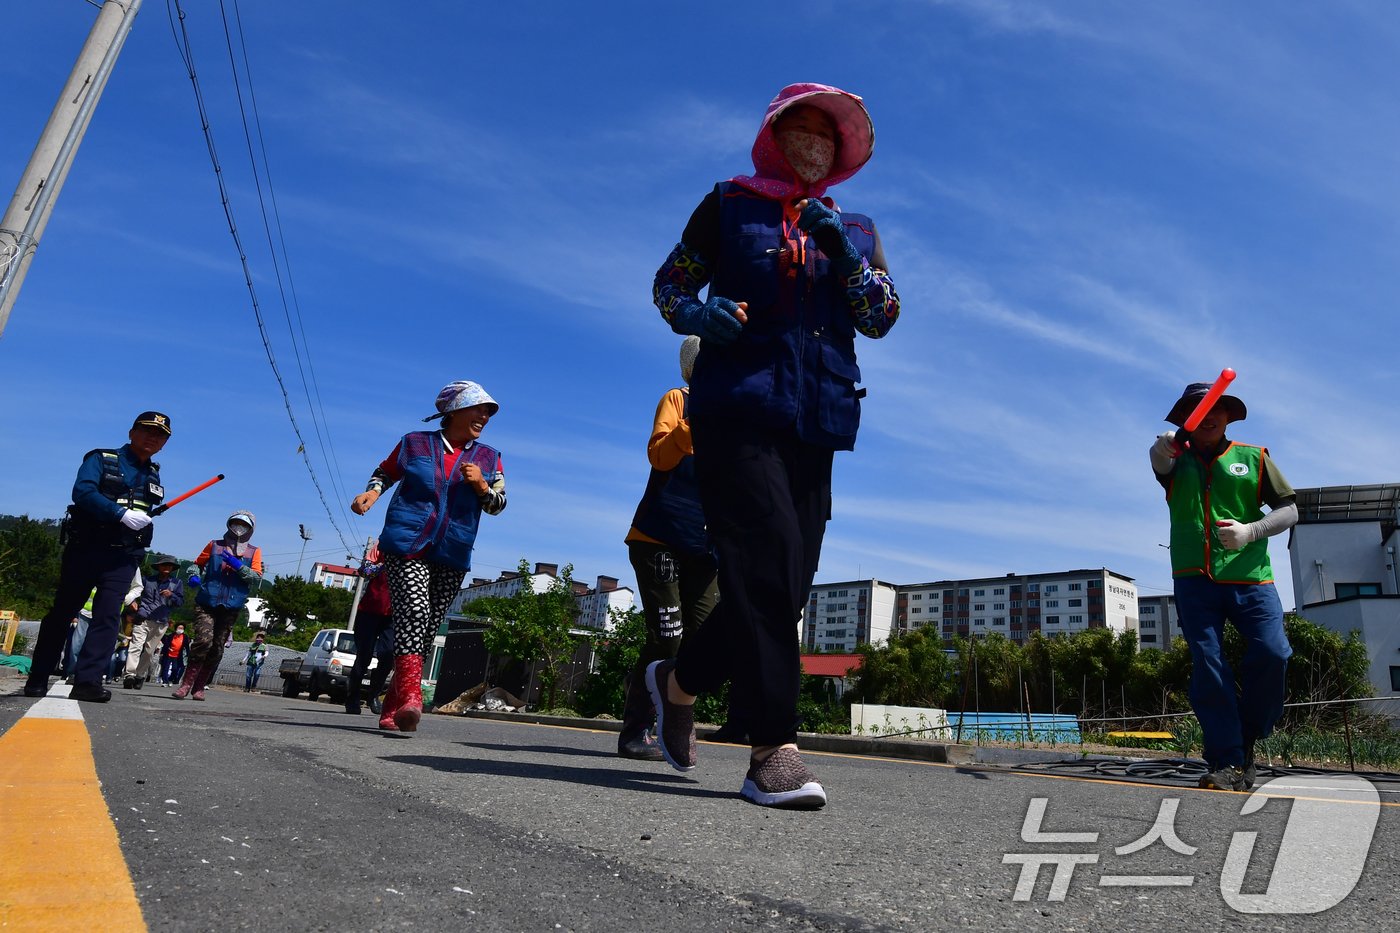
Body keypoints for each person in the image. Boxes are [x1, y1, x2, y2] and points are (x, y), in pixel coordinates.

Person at [644, 83, 900, 808]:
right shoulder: (728, 204)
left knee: (782, 586)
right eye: (802, 129)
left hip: (817, 419)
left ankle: (677, 681)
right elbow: (670, 284)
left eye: (828, 134)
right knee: (762, 562)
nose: (815, 143)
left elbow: (882, 315)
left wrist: (841, 253)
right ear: (776, 136)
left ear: (842, 152)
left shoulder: (856, 227)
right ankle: (772, 750)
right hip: (737, 409)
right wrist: (700, 311)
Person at [1152, 381, 1298, 791]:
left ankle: (1246, 737)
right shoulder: (1174, 462)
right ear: (1185, 420)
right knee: (1209, 666)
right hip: (1194, 581)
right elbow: (1158, 460)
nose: (1210, 414)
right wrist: (1162, 446)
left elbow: (1289, 511)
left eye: (1218, 406)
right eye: (1198, 409)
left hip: (1251, 578)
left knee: (1273, 653)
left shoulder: (1254, 458)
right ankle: (1227, 759)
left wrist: (1252, 530)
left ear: (1229, 415)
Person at [351, 381, 507, 733]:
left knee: (423, 630)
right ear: (454, 412)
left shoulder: (489, 458)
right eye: (478, 408)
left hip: (453, 551)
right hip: (407, 544)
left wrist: (482, 486)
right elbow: (385, 472)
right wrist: (372, 494)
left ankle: (393, 710)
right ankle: (412, 697)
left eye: (488, 411)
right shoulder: (415, 442)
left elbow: (498, 504)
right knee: (415, 613)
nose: (485, 416)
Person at [617, 336, 720, 760]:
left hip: (705, 546)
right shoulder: (678, 399)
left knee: (704, 637)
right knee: (668, 637)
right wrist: (694, 423)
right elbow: (658, 457)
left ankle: (669, 718)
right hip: (658, 537)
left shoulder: (737, 414)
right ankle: (637, 729)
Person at [25, 411, 172, 702]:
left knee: (107, 617)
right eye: (146, 430)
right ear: (131, 432)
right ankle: (38, 677)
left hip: (123, 557)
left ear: (164, 443)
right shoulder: (102, 459)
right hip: (86, 549)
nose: (152, 437)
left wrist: (140, 520)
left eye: (160, 435)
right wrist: (119, 513)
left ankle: (88, 682)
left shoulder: (153, 472)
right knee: (63, 613)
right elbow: (83, 492)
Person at [174, 511, 263, 700]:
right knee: (203, 641)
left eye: (244, 525)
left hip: (231, 606)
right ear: (229, 524)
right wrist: (192, 575)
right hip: (207, 601)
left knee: (217, 648)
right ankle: (185, 685)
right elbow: (196, 564)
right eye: (236, 523)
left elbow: (256, 577)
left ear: (251, 529)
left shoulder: (254, 551)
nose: (239, 528)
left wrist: (239, 566)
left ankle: (199, 686)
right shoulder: (214, 545)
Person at [123, 554, 185, 689]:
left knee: (149, 651)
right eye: (164, 564)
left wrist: (172, 595)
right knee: (136, 646)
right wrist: (132, 602)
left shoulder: (177, 583)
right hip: (143, 618)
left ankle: (139, 675)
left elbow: (180, 602)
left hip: (161, 621)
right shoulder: (147, 580)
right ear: (159, 567)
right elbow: (135, 590)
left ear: (173, 568)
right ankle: (129, 675)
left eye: (170, 565)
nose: (167, 567)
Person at [343, 562, 395, 715]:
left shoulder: (414, 551)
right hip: (368, 612)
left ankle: (374, 696)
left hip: (392, 616)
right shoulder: (382, 548)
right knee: (363, 656)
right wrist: (383, 565)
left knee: (388, 655)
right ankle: (352, 698)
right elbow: (364, 571)